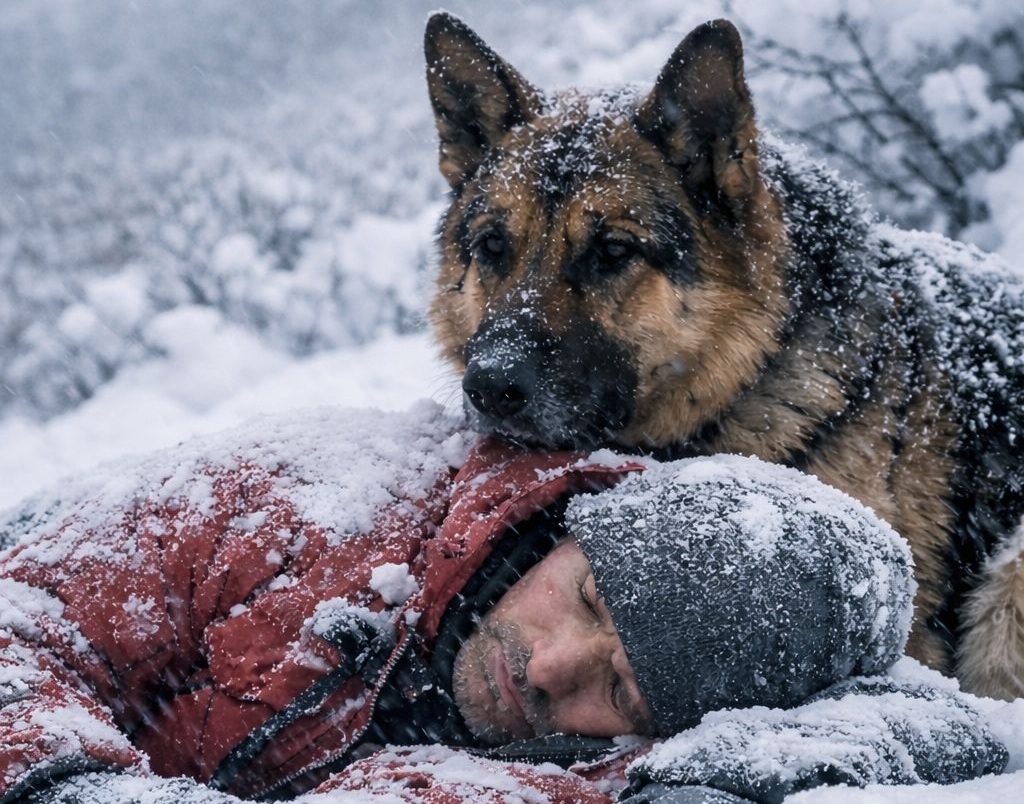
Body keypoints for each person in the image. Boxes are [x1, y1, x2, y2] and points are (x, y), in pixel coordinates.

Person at [0, 405, 1007, 804]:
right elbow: (22, 625)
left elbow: (961, 729)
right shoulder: (295, 500)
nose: (552, 666)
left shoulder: (619, 768)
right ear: (570, 524)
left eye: (623, 688)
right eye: (587, 597)